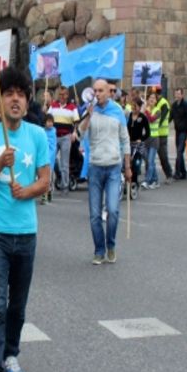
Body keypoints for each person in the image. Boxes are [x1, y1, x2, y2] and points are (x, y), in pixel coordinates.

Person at [0, 66, 50, 372]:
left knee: (18, 304)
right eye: (8, 94)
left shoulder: (38, 135)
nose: (15, 100)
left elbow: (45, 181)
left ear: (28, 101)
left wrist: (27, 190)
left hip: (27, 234)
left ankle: (11, 353)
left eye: (20, 94)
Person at [77, 79, 131, 266]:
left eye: (101, 90)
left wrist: (128, 166)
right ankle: (99, 250)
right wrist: (88, 117)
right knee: (94, 214)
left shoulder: (117, 111)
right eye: (95, 91)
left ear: (109, 92)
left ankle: (111, 245)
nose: (98, 94)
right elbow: (80, 135)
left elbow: (125, 139)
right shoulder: (89, 110)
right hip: (95, 167)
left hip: (114, 167)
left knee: (113, 210)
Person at [50, 86, 79, 194]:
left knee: (64, 163)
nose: (62, 96)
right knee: (50, 160)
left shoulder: (72, 107)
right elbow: (48, 118)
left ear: (67, 95)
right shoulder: (53, 106)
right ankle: (49, 185)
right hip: (53, 136)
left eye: (64, 94)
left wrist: (74, 132)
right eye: (60, 94)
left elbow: (76, 121)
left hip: (66, 136)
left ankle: (65, 186)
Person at [127, 98, 150, 186]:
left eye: (135, 106)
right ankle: (129, 181)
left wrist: (141, 139)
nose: (134, 108)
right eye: (133, 106)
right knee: (128, 162)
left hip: (138, 145)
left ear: (140, 107)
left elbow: (148, 132)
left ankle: (135, 181)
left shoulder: (143, 117)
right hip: (129, 143)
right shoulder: (129, 115)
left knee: (136, 163)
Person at [152, 87, 173, 183]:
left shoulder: (164, 103)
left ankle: (169, 175)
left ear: (157, 94)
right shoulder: (156, 102)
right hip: (155, 133)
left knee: (163, 156)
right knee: (151, 156)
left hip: (162, 134)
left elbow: (162, 118)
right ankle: (152, 177)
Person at [170, 88, 187, 180]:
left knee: (179, 151)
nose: (177, 96)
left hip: (184, 131)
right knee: (179, 152)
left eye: (179, 94)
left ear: (182, 95)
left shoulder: (185, 104)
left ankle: (177, 172)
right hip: (177, 131)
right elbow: (170, 116)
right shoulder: (174, 105)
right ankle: (184, 172)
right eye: (176, 94)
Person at [142, 93, 160, 189]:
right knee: (149, 161)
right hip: (146, 139)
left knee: (150, 160)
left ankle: (147, 181)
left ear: (156, 101)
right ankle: (155, 180)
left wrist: (146, 111)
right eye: (150, 98)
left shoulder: (158, 111)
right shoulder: (145, 110)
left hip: (154, 139)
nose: (152, 99)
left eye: (154, 98)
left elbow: (152, 120)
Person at [42, 114, 57, 205]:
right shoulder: (42, 132)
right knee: (44, 177)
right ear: (45, 122)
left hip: (50, 158)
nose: (50, 123)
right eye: (48, 122)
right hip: (43, 157)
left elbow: (53, 145)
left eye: (51, 122)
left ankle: (48, 192)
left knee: (49, 178)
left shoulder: (53, 132)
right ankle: (45, 196)